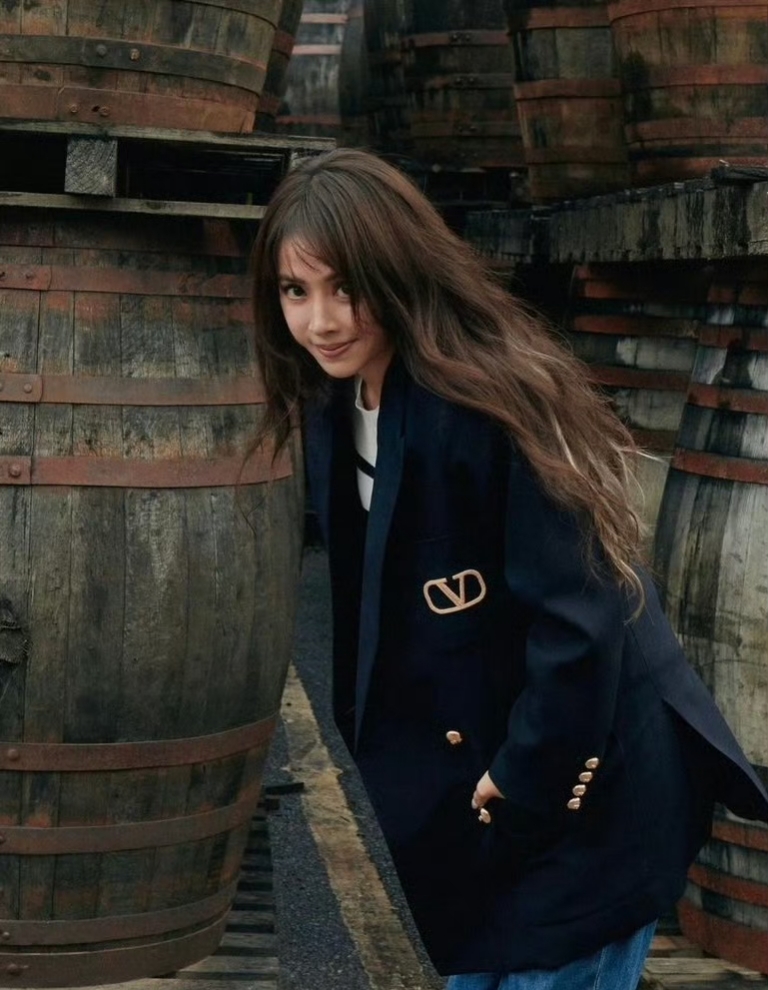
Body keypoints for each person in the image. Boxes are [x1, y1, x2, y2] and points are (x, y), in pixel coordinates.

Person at [250, 148, 768, 990]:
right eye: (295, 291)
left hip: (585, 794)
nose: (322, 321)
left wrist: (524, 778)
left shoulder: (486, 402)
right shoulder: (336, 406)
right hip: (486, 823)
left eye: (347, 287)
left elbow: (584, 622)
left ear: (401, 271)